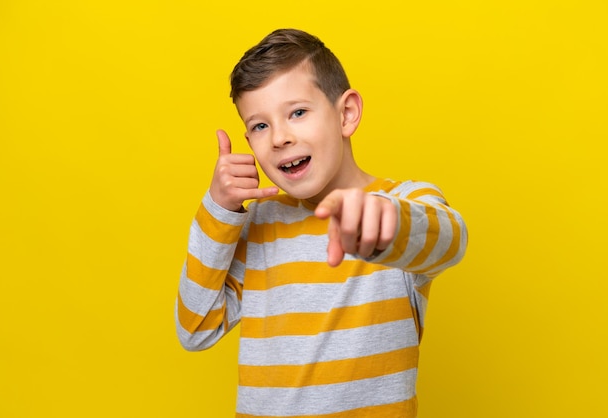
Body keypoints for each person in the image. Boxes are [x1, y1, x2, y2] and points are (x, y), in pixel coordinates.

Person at [175, 28, 468, 417]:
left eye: (297, 112)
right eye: (260, 126)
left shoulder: (403, 203)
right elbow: (195, 329)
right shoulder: (261, 223)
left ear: (346, 114)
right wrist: (218, 209)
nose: (279, 138)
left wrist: (389, 223)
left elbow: (449, 241)